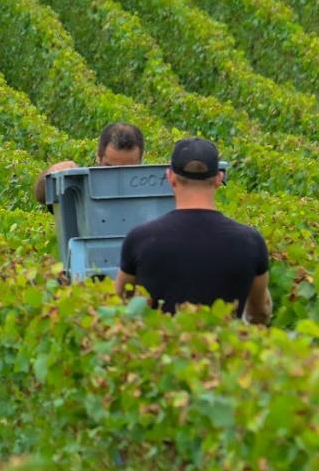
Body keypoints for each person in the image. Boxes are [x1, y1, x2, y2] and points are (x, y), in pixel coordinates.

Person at [116, 137, 271, 324]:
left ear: (170, 177)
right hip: (226, 350)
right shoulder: (251, 242)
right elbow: (259, 313)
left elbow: (121, 305)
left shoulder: (139, 239)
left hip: (163, 350)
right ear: (218, 179)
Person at [34, 122, 145, 207]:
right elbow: (41, 196)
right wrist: (50, 174)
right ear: (98, 157)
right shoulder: (81, 183)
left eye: (129, 169)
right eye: (110, 167)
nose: (118, 176)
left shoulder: (149, 186)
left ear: (140, 161)